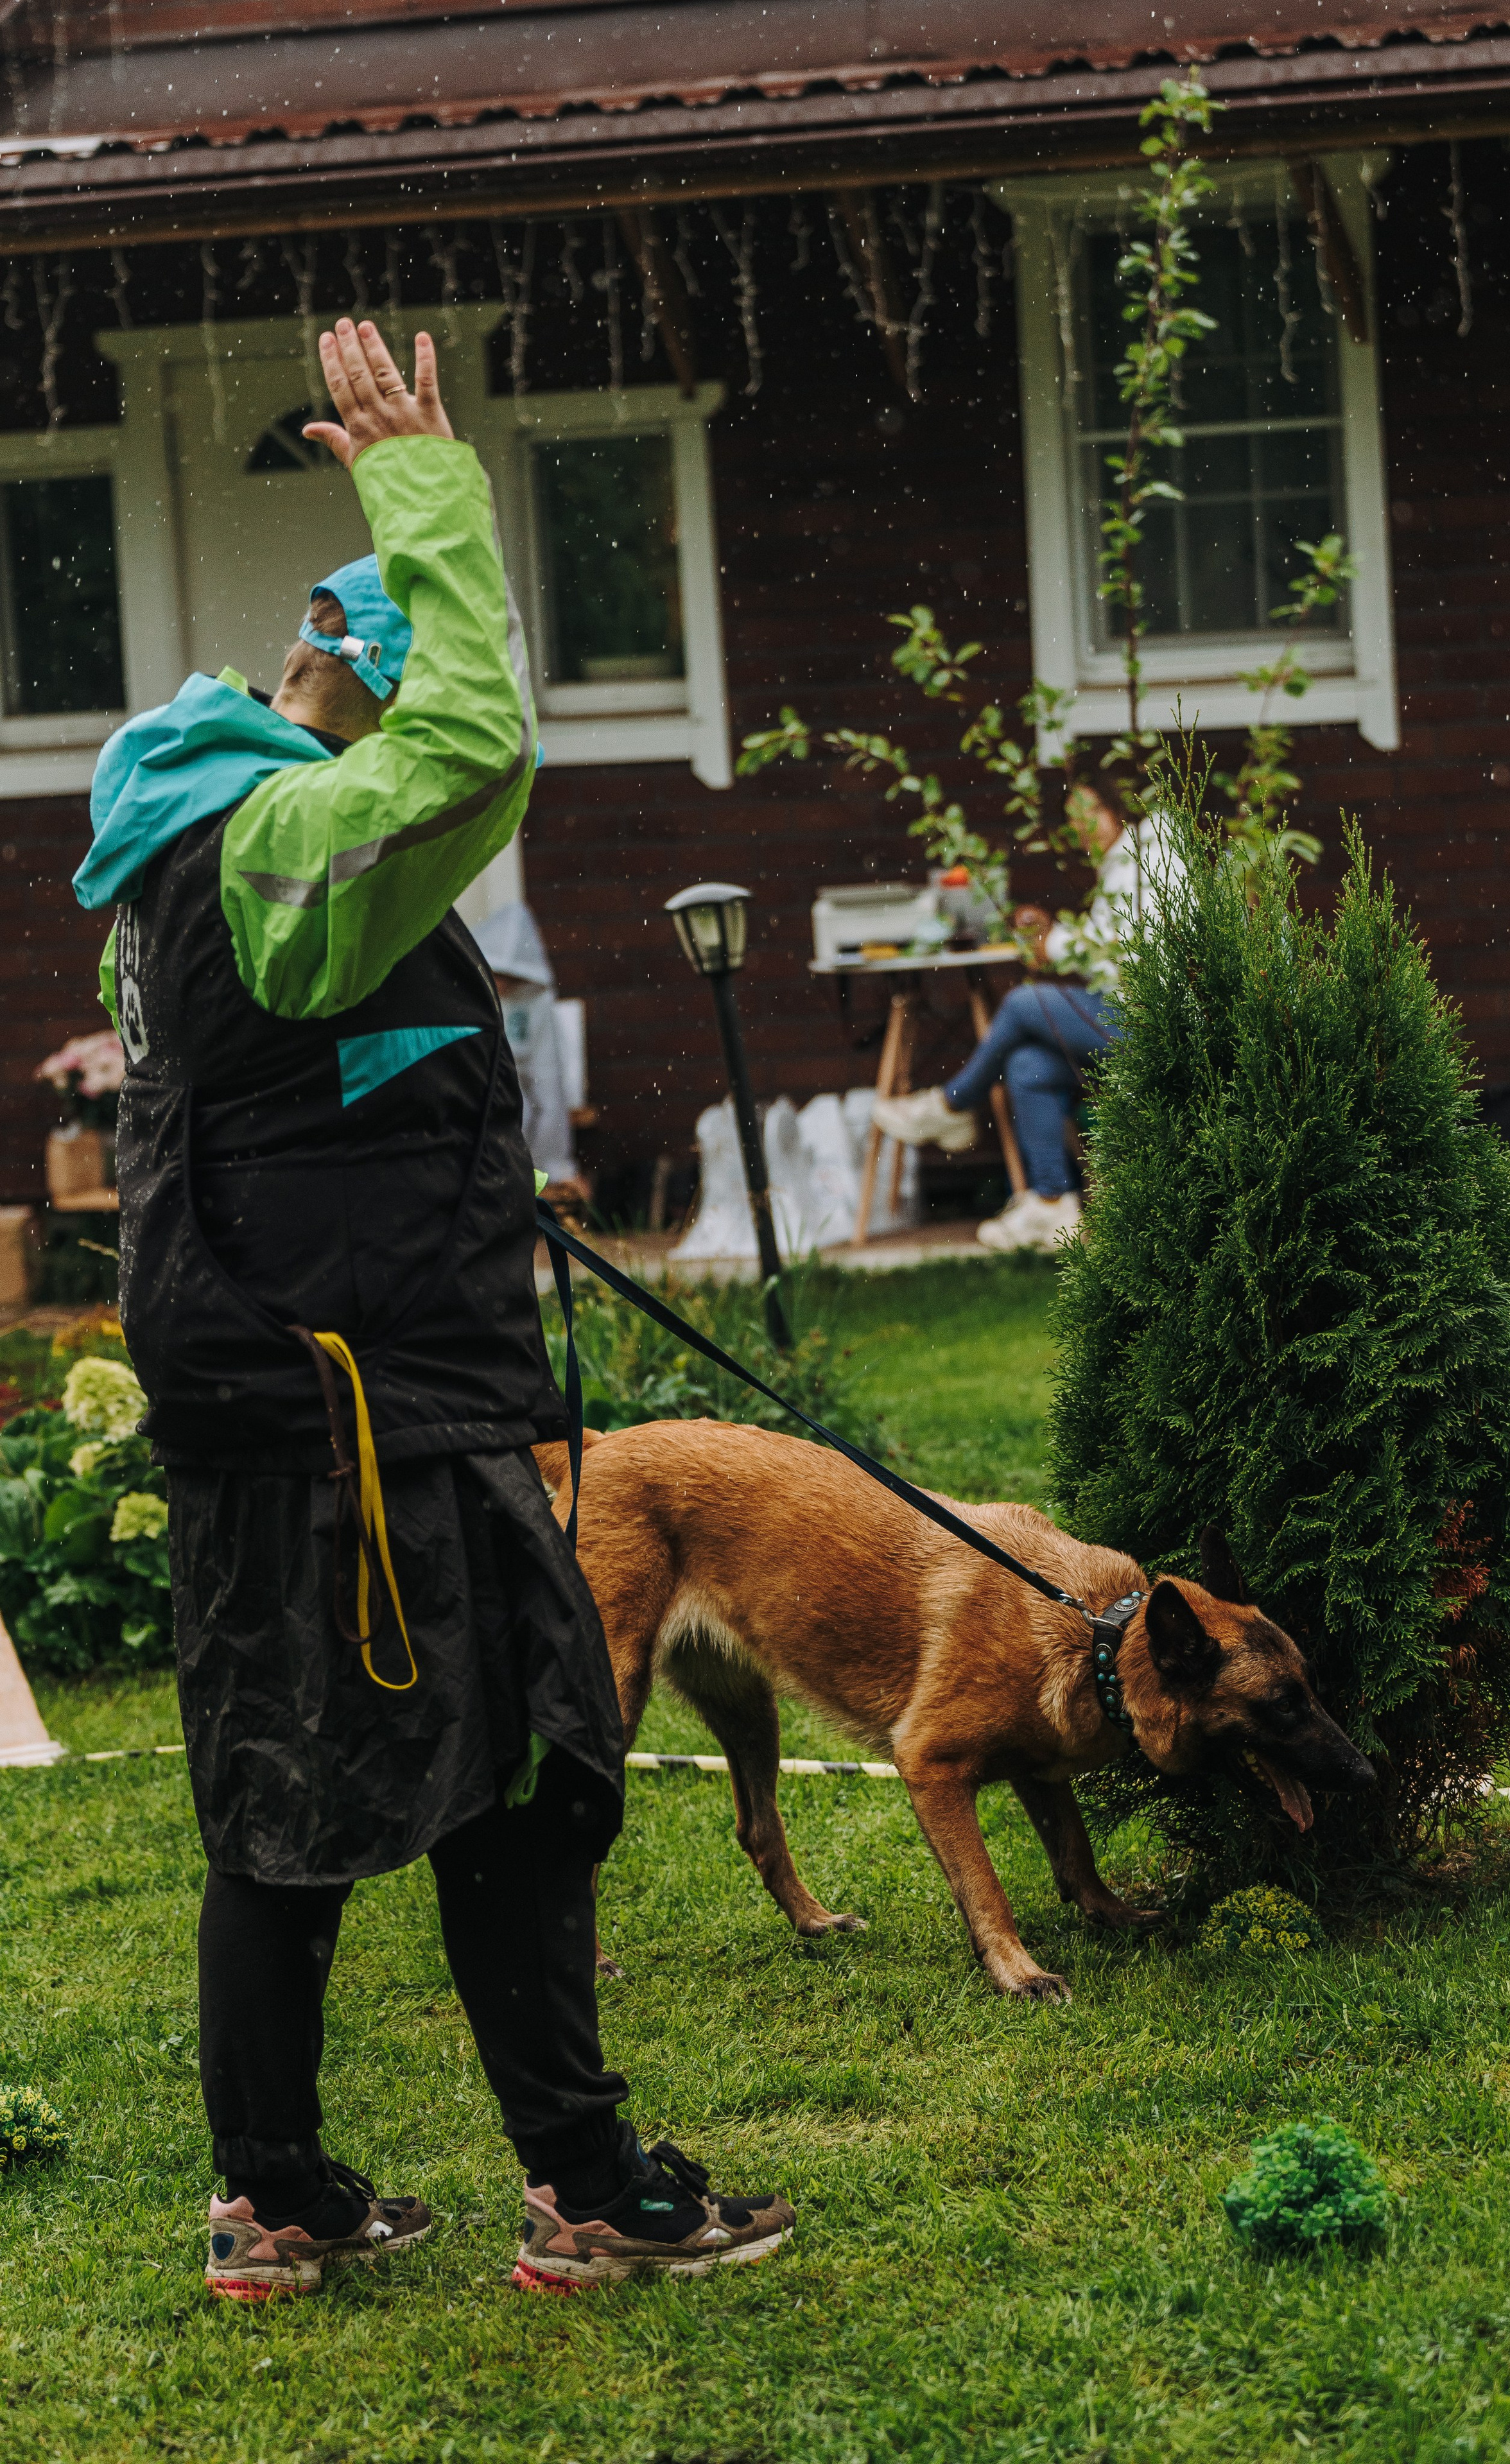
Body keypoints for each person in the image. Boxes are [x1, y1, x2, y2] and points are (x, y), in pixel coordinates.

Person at [74, 317, 793, 2302]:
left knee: (276, 1810)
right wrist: (434, 495)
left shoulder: (175, 830)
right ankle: (586, 2191)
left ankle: (278, 2196)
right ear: (378, 685)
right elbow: (480, 736)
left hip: (278, 1403)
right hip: (377, 1423)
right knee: (527, 1782)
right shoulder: (299, 831)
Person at [872, 797, 1165, 1252]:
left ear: (1119, 809)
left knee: (1025, 1002)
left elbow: (1117, 950)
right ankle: (1051, 1204)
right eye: (1071, 820)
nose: (1081, 828)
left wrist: (1054, 944)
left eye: (1091, 814)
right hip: (1117, 1010)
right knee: (1029, 1064)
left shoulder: (1143, 860)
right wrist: (1054, 934)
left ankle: (953, 1105)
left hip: (1147, 1024)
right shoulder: (1122, 863)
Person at [471, 898, 582, 1190]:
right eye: (496, 973)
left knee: (525, 1112)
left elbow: (548, 1086)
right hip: (474, 1097)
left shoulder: (535, 1003)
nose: (502, 985)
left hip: (516, 1102)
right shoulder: (467, 996)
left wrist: (556, 1166)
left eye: (509, 976)